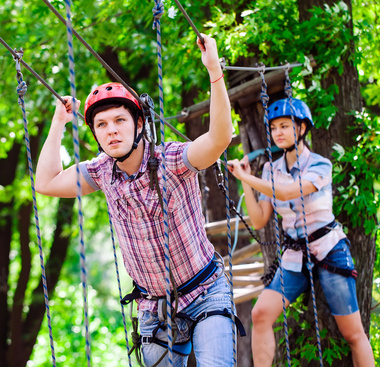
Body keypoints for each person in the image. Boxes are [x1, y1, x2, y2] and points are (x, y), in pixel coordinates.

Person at [35, 34, 239, 366]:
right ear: (96, 135)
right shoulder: (101, 172)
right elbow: (46, 183)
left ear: (139, 123)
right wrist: (59, 123)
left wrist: (214, 70)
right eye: (101, 125)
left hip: (205, 293)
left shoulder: (172, 159)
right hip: (154, 308)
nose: (111, 130)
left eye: (119, 121)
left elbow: (219, 139)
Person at [227, 98, 375, 367]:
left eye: (285, 126)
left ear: (302, 129)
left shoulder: (320, 165)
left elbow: (286, 191)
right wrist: (247, 181)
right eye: (273, 128)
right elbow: (259, 220)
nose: (278, 133)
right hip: (295, 255)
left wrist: (244, 178)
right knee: (260, 314)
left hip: (329, 249)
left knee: (352, 333)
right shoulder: (270, 169)